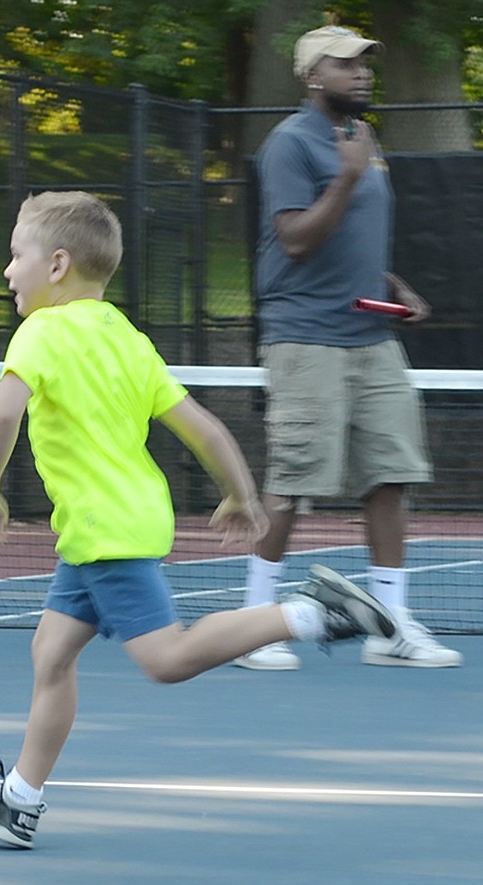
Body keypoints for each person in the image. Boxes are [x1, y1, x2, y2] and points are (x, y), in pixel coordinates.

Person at [0, 191, 397, 849]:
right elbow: (205, 428)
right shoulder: (129, 339)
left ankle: (311, 612)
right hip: (103, 530)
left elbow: (0, 416)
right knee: (50, 652)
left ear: (57, 265)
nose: (8, 270)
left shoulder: (40, 331)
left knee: (166, 659)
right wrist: (243, 493)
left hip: (106, 533)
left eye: (17, 255)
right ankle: (20, 798)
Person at [235, 25, 460, 671]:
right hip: (306, 339)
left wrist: (393, 285)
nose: (362, 74)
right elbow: (298, 241)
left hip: (372, 335)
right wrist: (347, 177)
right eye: (346, 65)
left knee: (390, 476)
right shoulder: (290, 144)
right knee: (292, 483)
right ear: (313, 77)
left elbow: (353, 239)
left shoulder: (365, 139)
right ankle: (255, 624)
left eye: (366, 64)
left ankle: (390, 625)